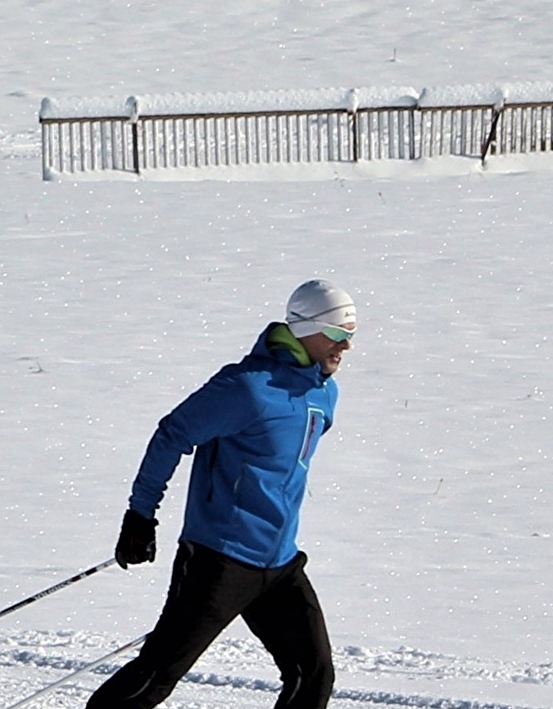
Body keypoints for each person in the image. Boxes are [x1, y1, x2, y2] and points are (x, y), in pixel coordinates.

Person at [86, 279, 357, 709]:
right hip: (220, 560)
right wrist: (140, 515)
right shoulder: (247, 387)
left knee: (313, 675)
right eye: (339, 334)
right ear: (304, 328)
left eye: (352, 335)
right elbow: (172, 433)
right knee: (156, 674)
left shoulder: (324, 393)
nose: (346, 346)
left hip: (280, 563)